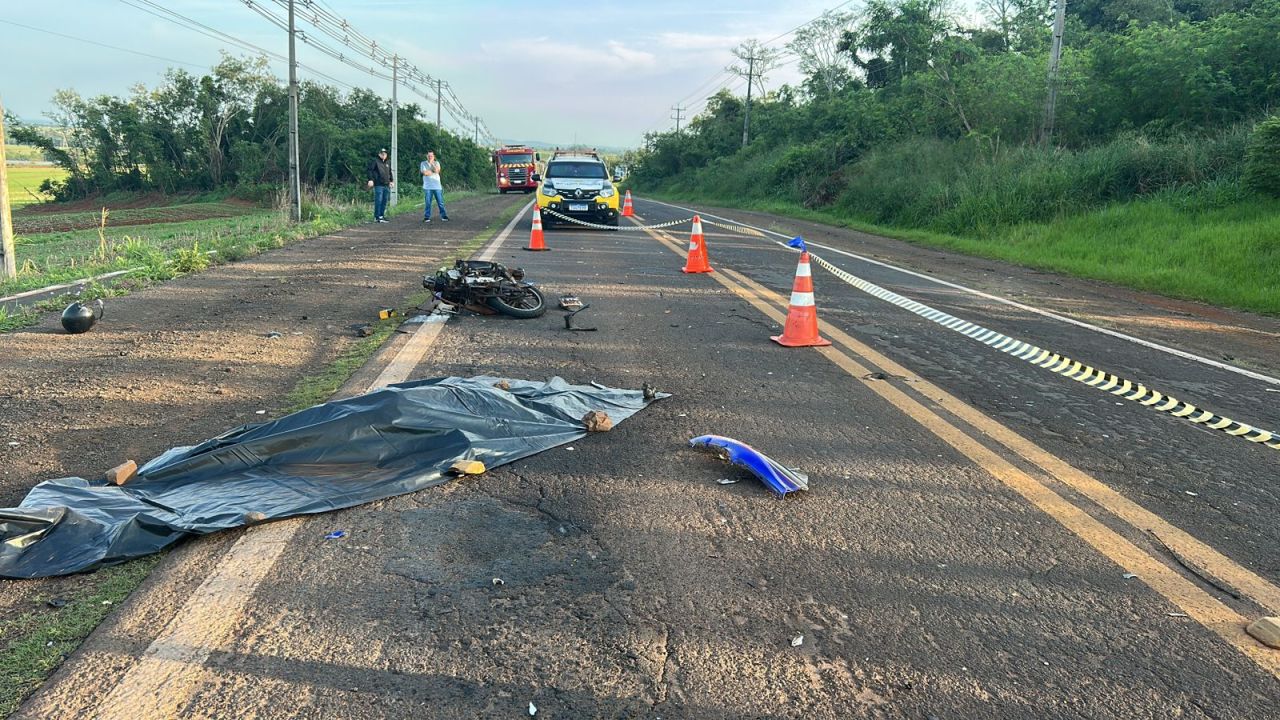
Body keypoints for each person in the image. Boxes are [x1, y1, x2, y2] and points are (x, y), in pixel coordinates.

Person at [366, 148, 394, 223]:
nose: (383, 155)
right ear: (379, 154)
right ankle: (377, 217)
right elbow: (369, 170)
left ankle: (381, 216)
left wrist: (391, 181)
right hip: (378, 184)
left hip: (386, 184)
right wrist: (370, 179)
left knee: (385, 200)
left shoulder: (388, 162)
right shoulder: (375, 161)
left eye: (385, 153)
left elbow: (390, 172)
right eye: (382, 153)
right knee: (378, 200)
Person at [420, 151, 449, 223]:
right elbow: (425, 173)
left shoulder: (437, 163)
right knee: (428, 203)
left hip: (437, 186)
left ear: (434, 156)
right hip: (427, 187)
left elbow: (437, 171)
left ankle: (444, 216)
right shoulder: (423, 163)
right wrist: (431, 171)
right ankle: (427, 217)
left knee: (440, 202)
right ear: (426, 156)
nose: (430, 157)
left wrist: (432, 164)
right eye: (428, 156)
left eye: (431, 156)